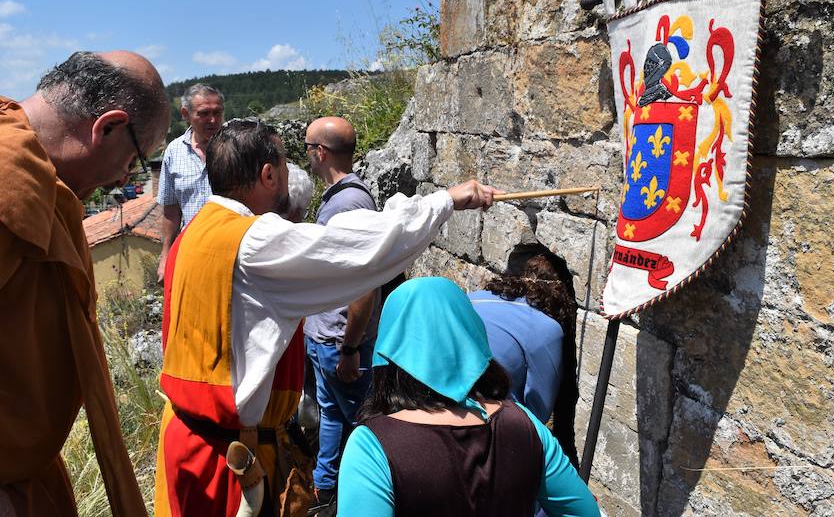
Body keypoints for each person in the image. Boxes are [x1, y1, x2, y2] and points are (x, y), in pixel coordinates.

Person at [154, 119, 497, 517]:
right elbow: (360, 250)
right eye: (284, 164)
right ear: (268, 174)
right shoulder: (252, 242)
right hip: (231, 460)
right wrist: (446, 200)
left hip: (185, 440)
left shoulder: (194, 233)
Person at [0, 51, 169, 517]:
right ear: (108, 127)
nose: (123, 178)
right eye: (135, 161)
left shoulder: (36, 178)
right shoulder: (7, 178)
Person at [337, 277, 602, 517]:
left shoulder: (372, 446)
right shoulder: (525, 424)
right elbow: (585, 511)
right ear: (473, 336)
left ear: (389, 351)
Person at [301, 117, 382, 511]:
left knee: (367, 428)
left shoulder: (350, 203)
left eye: (307, 149)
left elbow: (364, 285)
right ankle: (326, 491)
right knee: (332, 414)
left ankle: (362, 501)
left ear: (321, 152)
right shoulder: (339, 198)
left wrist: (350, 349)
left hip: (339, 342)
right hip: (326, 338)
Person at [468, 251, 580, 466]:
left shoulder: (473, 298)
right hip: (490, 425)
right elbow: (538, 407)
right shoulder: (546, 328)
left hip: (438, 400)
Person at [156, 83, 225, 282]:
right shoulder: (173, 152)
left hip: (233, 250)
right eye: (204, 113)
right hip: (192, 252)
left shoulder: (236, 147)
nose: (212, 120)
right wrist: (166, 255)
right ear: (186, 114)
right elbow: (171, 210)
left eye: (217, 113)